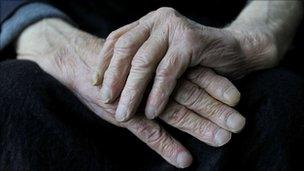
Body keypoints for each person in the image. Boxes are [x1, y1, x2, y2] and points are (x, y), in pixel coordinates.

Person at [0, 0, 303, 170]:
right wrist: (41, 30)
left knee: (280, 103)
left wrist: (255, 36)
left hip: (223, 41)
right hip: (58, 31)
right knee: (13, 94)